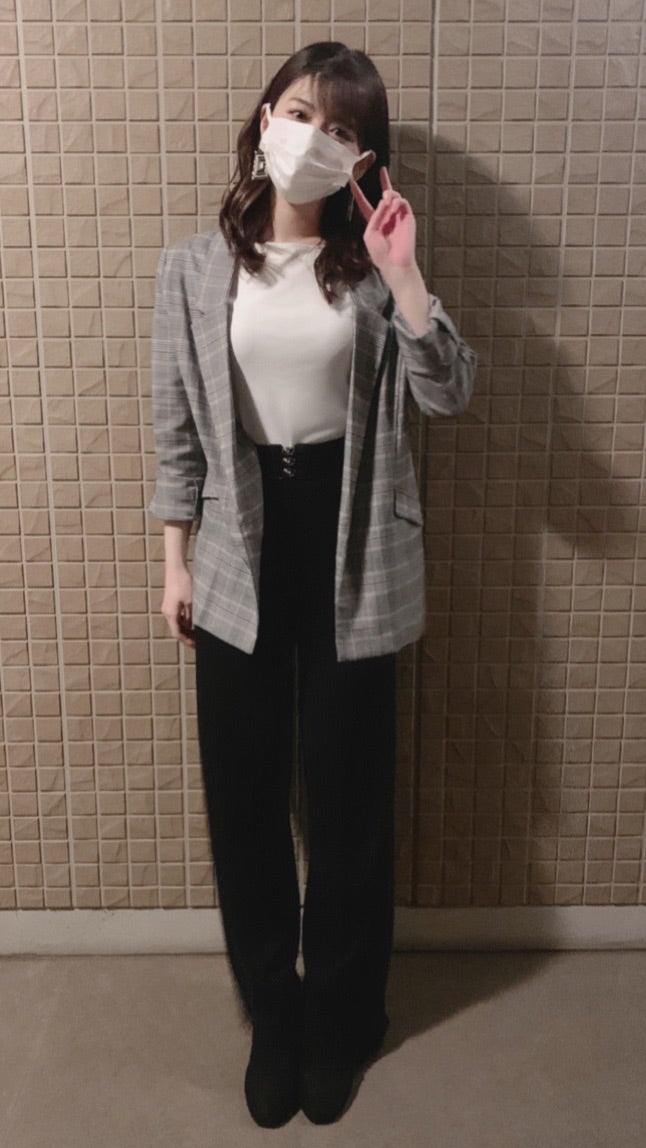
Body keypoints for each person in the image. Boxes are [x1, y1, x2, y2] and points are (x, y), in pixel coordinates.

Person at [149, 41, 476, 1129]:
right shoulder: (194, 269)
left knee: (348, 796)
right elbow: (177, 430)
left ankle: (342, 1017)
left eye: (341, 128)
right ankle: (273, 1018)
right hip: (242, 540)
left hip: (354, 536)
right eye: (300, 113)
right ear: (264, 121)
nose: (313, 138)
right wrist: (175, 561)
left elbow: (449, 394)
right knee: (243, 795)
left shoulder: (372, 270)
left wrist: (406, 274)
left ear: (361, 158)